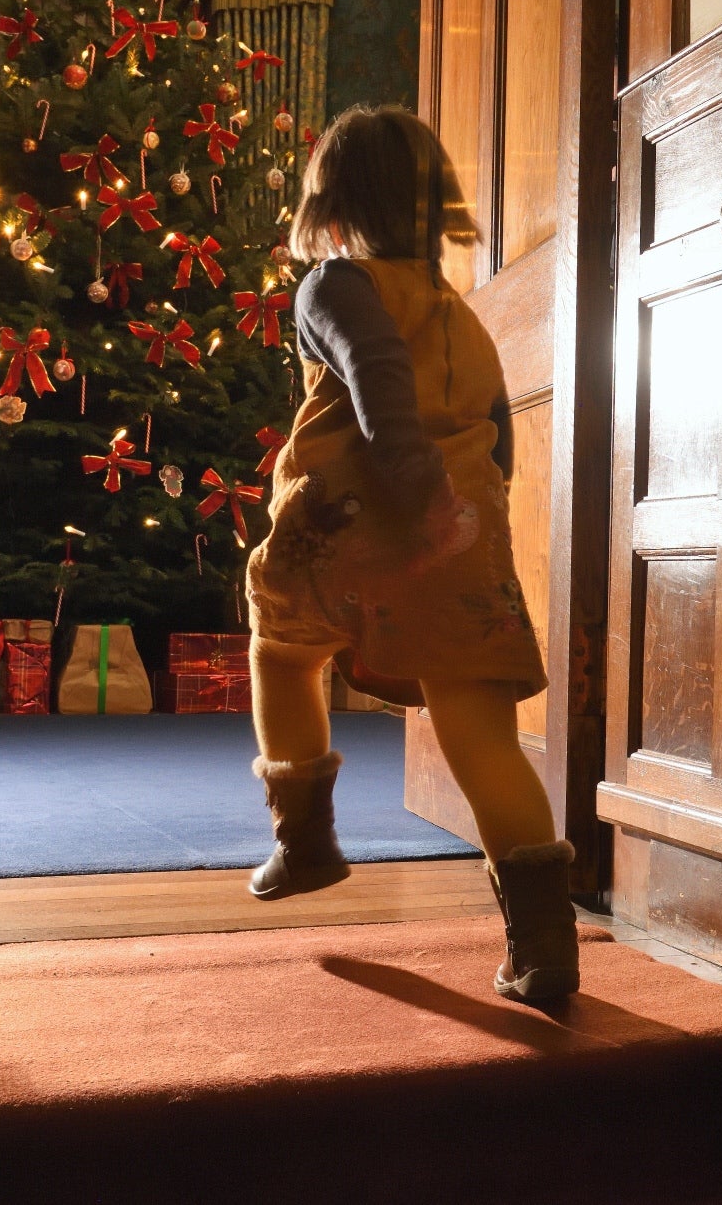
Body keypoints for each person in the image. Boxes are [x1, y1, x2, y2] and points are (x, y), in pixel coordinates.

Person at [241, 105, 575, 1002]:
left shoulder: (334, 284)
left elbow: (376, 378)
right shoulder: (463, 317)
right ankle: (544, 948)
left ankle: (304, 843)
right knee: (484, 740)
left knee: (281, 652)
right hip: (461, 544)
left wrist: (414, 486)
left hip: (348, 527)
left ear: (333, 203)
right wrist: (464, 512)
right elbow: (499, 438)